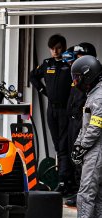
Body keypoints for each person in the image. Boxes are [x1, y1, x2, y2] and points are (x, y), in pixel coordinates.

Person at [58, 55, 102, 218]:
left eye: (77, 78)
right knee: (98, 193)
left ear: (88, 75)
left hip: (97, 150)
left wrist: (82, 146)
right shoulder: (93, 94)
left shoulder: (98, 96)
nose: (75, 82)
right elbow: (86, 126)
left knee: (85, 193)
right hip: (93, 148)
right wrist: (78, 145)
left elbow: (95, 127)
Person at [30, 34, 73, 196]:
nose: (55, 51)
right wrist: (43, 91)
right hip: (51, 109)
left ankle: (64, 181)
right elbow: (33, 76)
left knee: (63, 146)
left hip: (65, 110)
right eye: (52, 48)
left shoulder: (69, 64)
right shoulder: (47, 63)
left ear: (63, 47)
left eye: (58, 48)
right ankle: (63, 180)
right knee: (57, 145)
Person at [63, 43, 97, 207]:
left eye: (80, 57)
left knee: (85, 158)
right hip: (73, 119)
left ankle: (82, 193)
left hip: (85, 121)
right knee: (74, 155)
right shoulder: (78, 75)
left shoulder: (94, 78)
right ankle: (76, 189)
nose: (77, 61)